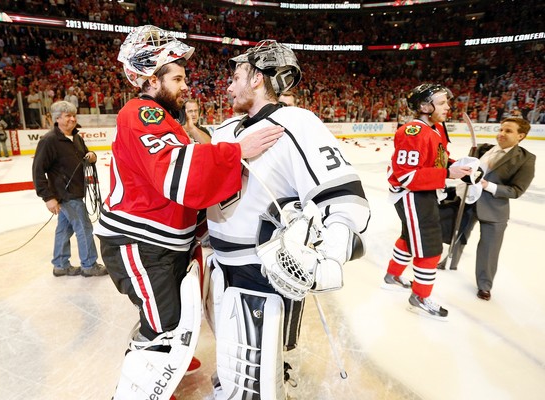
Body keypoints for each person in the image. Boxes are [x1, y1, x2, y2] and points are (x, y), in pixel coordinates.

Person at [93, 26, 283, 400]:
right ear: (151, 80)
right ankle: (137, 387)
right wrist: (236, 151)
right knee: (162, 329)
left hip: (160, 244)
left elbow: (184, 185)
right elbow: (177, 172)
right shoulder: (142, 113)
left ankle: (168, 361)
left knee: (173, 320)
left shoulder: (164, 119)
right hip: (139, 243)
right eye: (177, 78)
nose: (184, 87)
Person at [206, 40, 370, 399]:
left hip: (259, 266)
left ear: (259, 78)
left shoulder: (296, 121)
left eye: (237, 77)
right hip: (219, 263)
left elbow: (339, 190)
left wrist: (333, 249)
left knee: (256, 373)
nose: (229, 86)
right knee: (231, 349)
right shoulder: (225, 130)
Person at [383, 83, 472, 320]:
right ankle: (420, 296)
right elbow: (406, 176)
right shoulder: (414, 132)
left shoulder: (435, 128)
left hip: (424, 192)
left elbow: (438, 159)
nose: (448, 107)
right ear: (424, 106)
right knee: (430, 247)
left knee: (409, 239)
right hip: (413, 194)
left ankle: (392, 275)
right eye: (442, 103)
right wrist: (446, 175)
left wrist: (454, 165)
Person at [460, 117, 536, 300]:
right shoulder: (484, 149)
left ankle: (484, 285)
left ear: (521, 136)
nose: (501, 134)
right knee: (458, 236)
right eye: (501, 129)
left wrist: (488, 186)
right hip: (469, 201)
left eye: (508, 131)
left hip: (494, 209)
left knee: (489, 249)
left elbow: (517, 190)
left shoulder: (526, 159)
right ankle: (449, 262)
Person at [32, 101, 107, 278]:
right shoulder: (49, 141)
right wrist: (48, 197)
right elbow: (37, 170)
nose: (72, 119)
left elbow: (85, 155)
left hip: (75, 191)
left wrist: (92, 157)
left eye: (74, 116)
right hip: (65, 194)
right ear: (57, 119)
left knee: (64, 229)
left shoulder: (76, 138)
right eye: (68, 116)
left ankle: (60, 264)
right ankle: (89, 264)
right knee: (84, 227)